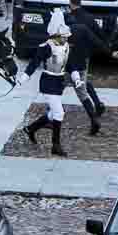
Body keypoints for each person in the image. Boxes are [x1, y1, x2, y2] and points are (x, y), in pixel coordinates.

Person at [20, 11, 74, 156]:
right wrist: (25, 76)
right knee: (59, 113)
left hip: (59, 82)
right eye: (63, 37)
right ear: (56, 36)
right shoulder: (46, 47)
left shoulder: (66, 46)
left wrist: (75, 76)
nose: (65, 39)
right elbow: (34, 62)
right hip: (48, 83)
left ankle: (31, 128)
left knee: (53, 114)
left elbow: (70, 63)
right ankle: (55, 145)